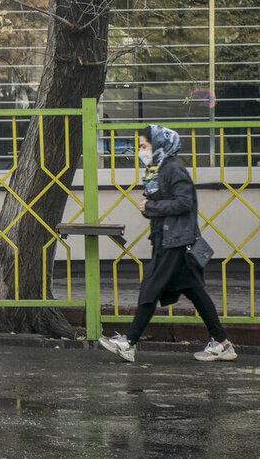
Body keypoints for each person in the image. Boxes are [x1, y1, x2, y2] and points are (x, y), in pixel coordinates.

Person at [99, 125, 236, 363]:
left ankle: (129, 342)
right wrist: (148, 208)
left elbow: (184, 202)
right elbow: (157, 207)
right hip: (168, 240)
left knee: (150, 288)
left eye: (144, 146)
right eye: (140, 146)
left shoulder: (173, 169)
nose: (141, 151)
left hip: (176, 242)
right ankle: (222, 344)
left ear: (161, 146)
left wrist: (150, 207)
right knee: (195, 292)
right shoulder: (156, 173)